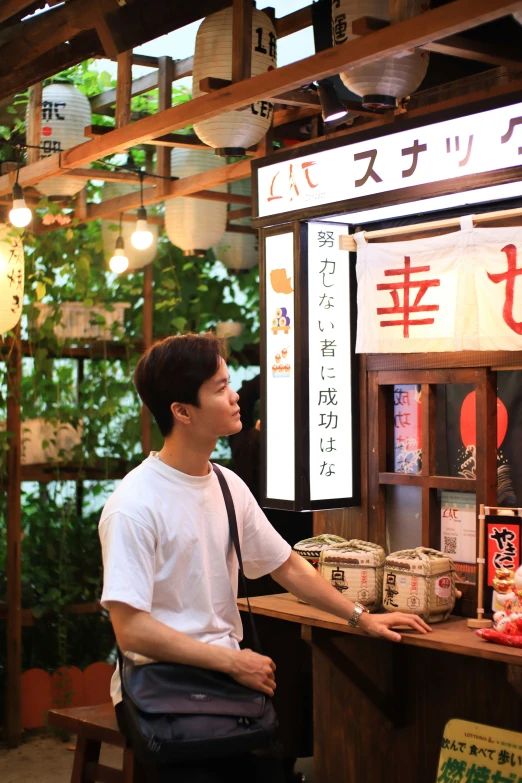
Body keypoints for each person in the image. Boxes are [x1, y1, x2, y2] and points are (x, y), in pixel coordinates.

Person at [98, 332, 431, 783]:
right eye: (219, 388)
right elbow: (131, 629)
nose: (236, 397)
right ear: (181, 411)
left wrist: (361, 618)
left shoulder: (227, 484)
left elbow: (288, 565)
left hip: (227, 683)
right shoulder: (134, 504)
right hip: (163, 691)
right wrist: (233, 661)